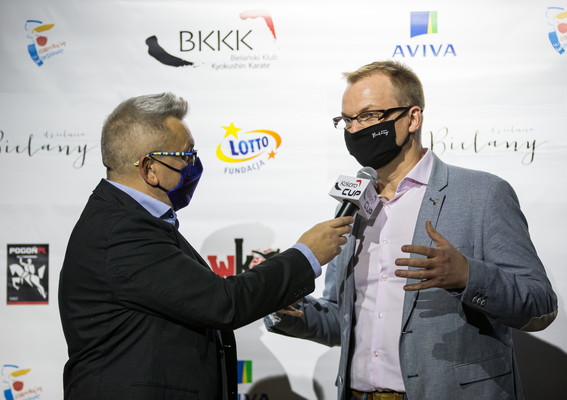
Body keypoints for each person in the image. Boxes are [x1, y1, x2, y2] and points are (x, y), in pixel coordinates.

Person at [264, 61, 558, 400]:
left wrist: (467, 275)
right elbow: (340, 321)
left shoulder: (482, 194)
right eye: (347, 120)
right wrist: (289, 307)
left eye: (369, 116)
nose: (355, 129)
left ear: (412, 118)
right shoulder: (352, 206)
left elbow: (540, 305)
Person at [58, 92, 353, 400]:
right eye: (186, 155)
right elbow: (222, 303)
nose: (194, 164)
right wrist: (306, 255)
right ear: (150, 169)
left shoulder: (131, 220)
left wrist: (273, 295)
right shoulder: (122, 230)